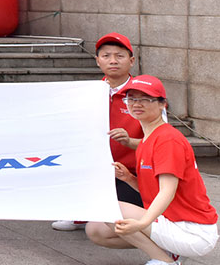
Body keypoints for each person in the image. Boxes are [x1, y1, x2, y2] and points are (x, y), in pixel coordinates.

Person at [87, 75, 217, 263]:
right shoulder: (148, 139)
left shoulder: (167, 140)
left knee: (106, 206)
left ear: (163, 104)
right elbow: (153, 191)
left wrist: (143, 223)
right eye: (132, 98)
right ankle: (169, 252)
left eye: (146, 99)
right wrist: (128, 178)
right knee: (97, 231)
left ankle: (164, 260)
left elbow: (167, 191)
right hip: (174, 223)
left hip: (192, 230)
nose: (137, 104)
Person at [53, 33, 148, 232]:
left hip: (131, 174)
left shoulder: (145, 95)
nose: (113, 61)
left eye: (119, 56)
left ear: (131, 61)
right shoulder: (89, 92)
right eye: (106, 56)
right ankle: (80, 210)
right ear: (97, 61)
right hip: (96, 169)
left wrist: (129, 141)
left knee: (111, 223)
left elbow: (159, 141)